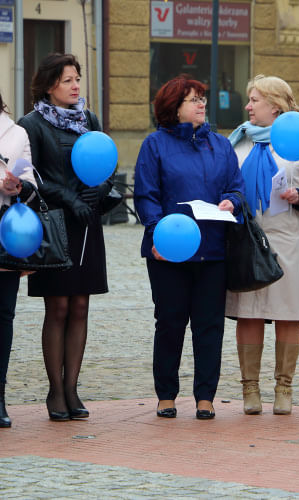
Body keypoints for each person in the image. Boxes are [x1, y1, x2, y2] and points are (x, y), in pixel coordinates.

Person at [134, 75, 243, 420]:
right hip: (169, 252)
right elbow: (146, 195)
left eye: (202, 98)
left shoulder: (221, 145)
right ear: (173, 107)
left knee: (209, 325)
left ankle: (205, 397)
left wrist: (231, 202)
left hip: (212, 250)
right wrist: (157, 235)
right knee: (170, 322)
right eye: (193, 99)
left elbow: (237, 189)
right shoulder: (155, 145)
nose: (201, 104)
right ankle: (166, 394)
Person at [226, 75, 299, 416]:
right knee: (249, 312)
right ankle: (249, 388)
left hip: (289, 238)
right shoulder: (239, 141)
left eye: (254, 99)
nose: (248, 106)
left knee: (288, 314)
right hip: (248, 240)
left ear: (276, 106)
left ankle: (284, 388)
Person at [18, 53, 112, 422]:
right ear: (49, 86)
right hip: (54, 223)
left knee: (80, 306)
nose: (76, 86)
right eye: (68, 80)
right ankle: (55, 391)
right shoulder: (32, 124)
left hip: (86, 221)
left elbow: (105, 161)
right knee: (57, 307)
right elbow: (32, 175)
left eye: (77, 79)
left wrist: (99, 190)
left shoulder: (89, 119)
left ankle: (72, 387)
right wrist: (68, 197)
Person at [0, 91, 37, 428]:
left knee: (3, 317)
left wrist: (18, 187)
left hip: (4, 232)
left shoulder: (15, 133)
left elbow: (30, 181)